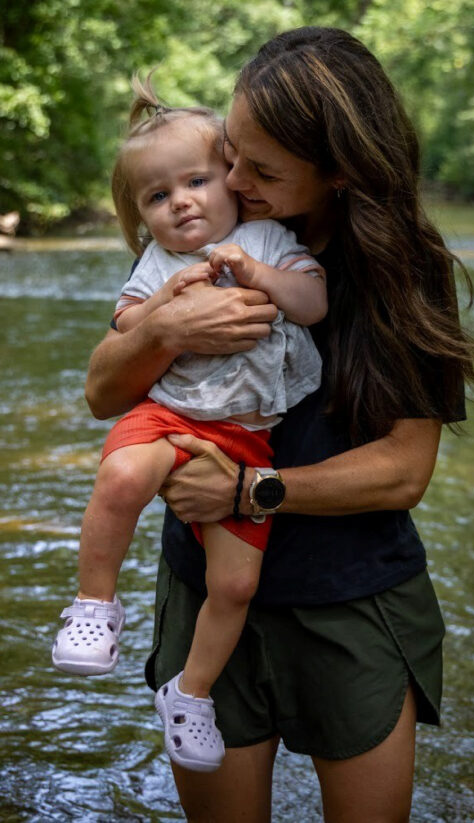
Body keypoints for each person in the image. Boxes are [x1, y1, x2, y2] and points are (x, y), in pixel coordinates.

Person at [83, 27, 474, 821]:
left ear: (340, 171)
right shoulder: (203, 223)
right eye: (232, 153)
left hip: (352, 597)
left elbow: (404, 470)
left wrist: (247, 489)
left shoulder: (405, 269)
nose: (233, 179)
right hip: (204, 586)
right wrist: (166, 331)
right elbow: (104, 392)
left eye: (262, 170)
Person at [53, 76, 328, 774]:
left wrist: (259, 276)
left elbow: (314, 302)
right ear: (143, 217)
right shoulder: (158, 262)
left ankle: (191, 691)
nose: (180, 201)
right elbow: (123, 326)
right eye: (157, 196)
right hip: (165, 412)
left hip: (244, 437)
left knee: (235, 583)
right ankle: (93, 603)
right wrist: (166, 309)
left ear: (233, 182)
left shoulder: (266, 237)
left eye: (197, 180)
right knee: (120, 474)